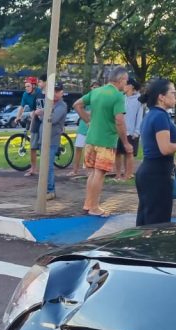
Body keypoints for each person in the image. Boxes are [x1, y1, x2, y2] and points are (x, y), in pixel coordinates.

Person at [135, 78, 176, 225]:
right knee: (157, 221)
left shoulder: (151, 115)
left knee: (145, 217)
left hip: (149, 171)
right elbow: (165, 148)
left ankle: (142, 247)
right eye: (173, 93)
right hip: (157, 173)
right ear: (161, 97)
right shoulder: (160, 116)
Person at [73, 66, 130, 217]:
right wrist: (125, 142)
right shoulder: (117, 96)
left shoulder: (96, 91)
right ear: (121, 79)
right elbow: (119, 120)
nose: (127, 85)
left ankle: (88, 204)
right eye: (126, 81)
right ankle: (94, 207)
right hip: (106, 140)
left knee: (91, 173)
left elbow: (77, 104)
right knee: (99, 173)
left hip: (91, 138)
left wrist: (87, 121)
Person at [30, 83, 68, 198]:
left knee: (48, 166)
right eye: (53, 91)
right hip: (43, 138)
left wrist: (41, 113)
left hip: (52, 140)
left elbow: (53, 119)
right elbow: (43, 118)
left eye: (57, 91)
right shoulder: (49, 104)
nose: (55, 94)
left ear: (61, 92)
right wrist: (41, 113)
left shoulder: (62, 105)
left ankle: (50, 190)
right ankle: (45, 188)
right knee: (44, 165)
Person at [14, 76, 44, 176]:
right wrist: (17, 117)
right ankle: (33, 169)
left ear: (34, 86)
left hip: (43, 118)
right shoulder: (25, 95)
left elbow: (43, 108)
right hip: (35, 117)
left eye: (28, 86)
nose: (26, 88)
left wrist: (34, 113)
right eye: (25, 86)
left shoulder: (40, 93)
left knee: (43, 144)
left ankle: (45, 168)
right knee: (33, 146)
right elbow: (22, 107)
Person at [116, 77, 144, 180]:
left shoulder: (138, 100)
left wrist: (137, 131)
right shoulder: (121, 98)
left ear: (131, 86)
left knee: (129, 153)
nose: (123, 86)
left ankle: (128, 174)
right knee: (118, 153)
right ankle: (118, 174)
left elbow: (139, 116)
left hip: (131, 131)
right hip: (119, 130)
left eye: (125, 84)